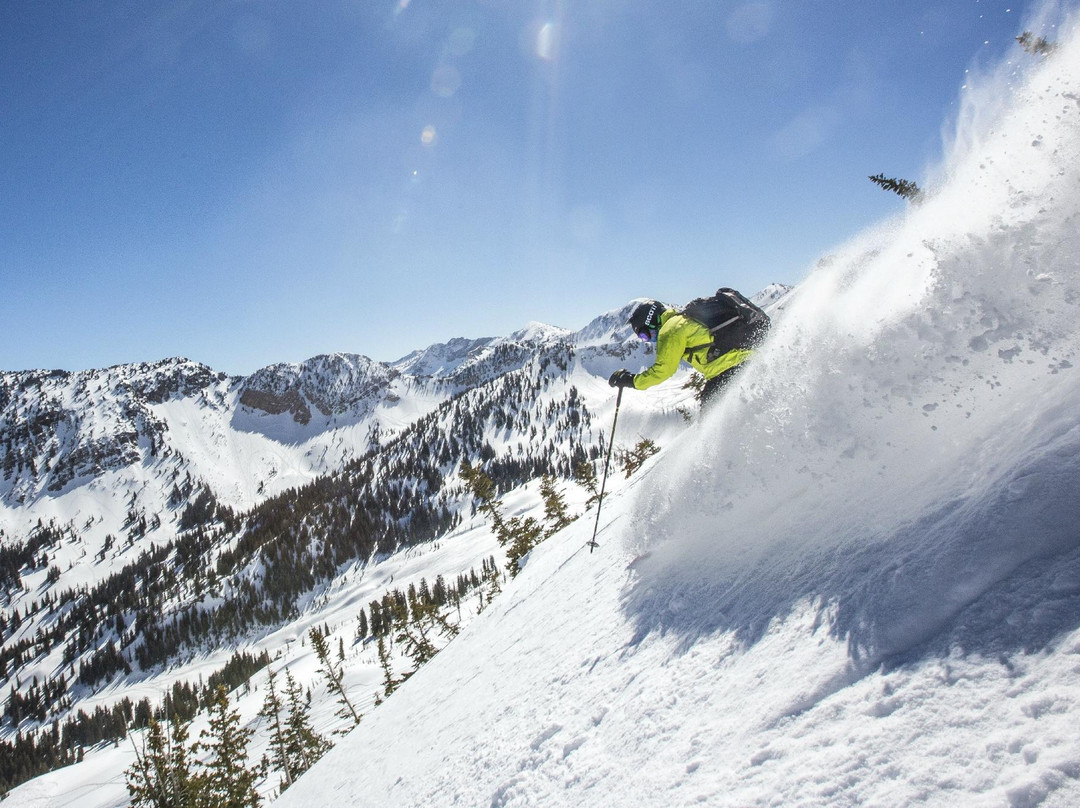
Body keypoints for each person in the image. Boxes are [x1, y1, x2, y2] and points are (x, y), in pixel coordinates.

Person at [608, 295, 767, 405]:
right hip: (746, 361)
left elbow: (663, 370)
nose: (648, 340)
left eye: (644, 335)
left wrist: (631, 381)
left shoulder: (670, 330)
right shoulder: (684, 319)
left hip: (729, 370)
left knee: (711, 425)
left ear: (652, 322)